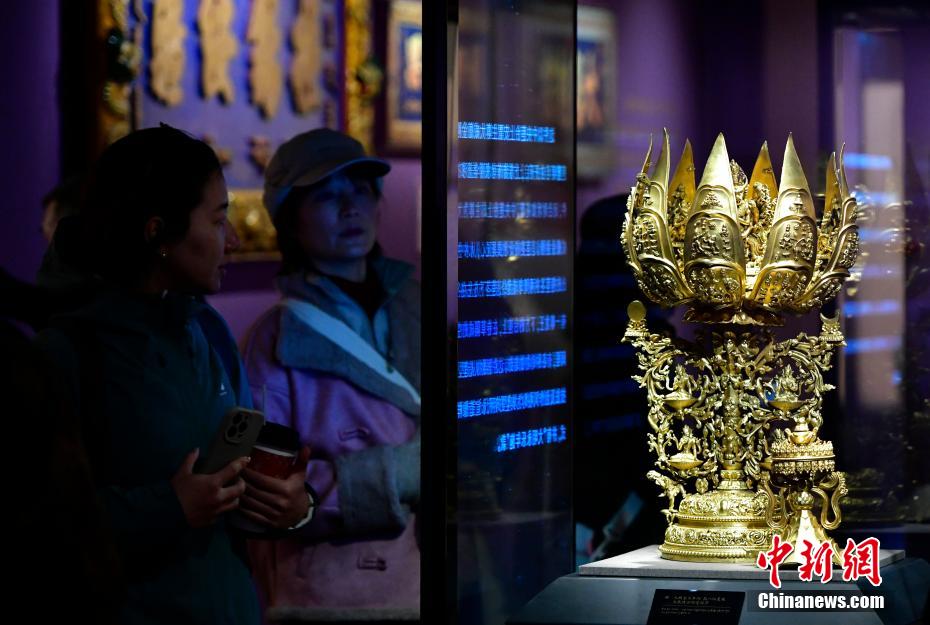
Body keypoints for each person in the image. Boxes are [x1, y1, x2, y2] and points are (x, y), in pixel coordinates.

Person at [35, 126, 312, 625]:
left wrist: (290, 505)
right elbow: (42, 523)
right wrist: (170, 507)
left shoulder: (209, 330)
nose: (234, 239)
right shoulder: (69, 351)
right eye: (218, 219)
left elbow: (237, 470)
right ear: (157, 234)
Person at [243, 128, 420, 615]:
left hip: (424, 581)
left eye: (360, 190)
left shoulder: (414, 305)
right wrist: (393, 476)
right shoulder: (275, 338)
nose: (349, 208)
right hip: (327, 595)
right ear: (291, 221)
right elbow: (263, 489)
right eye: (325, 196)